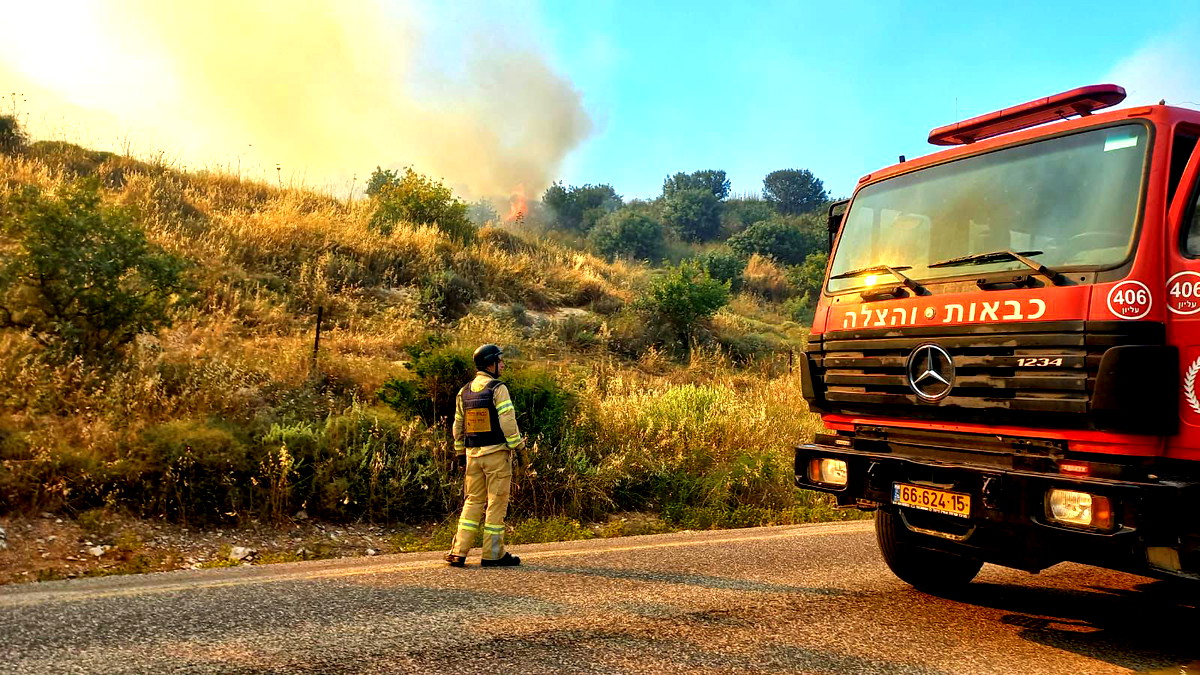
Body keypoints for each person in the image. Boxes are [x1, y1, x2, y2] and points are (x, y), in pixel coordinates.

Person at [445, 344, 529, 567]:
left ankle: (458, 552)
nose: (503, 364)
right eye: (500, 360)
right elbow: (508, 421)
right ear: (490, 363)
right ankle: (493, 554)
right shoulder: (497, 388)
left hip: (473, 456)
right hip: (496, 456)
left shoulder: (464, 391)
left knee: (472, 501)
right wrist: (519, 449)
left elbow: (458, 425)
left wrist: (459, 452)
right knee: (496, 503)